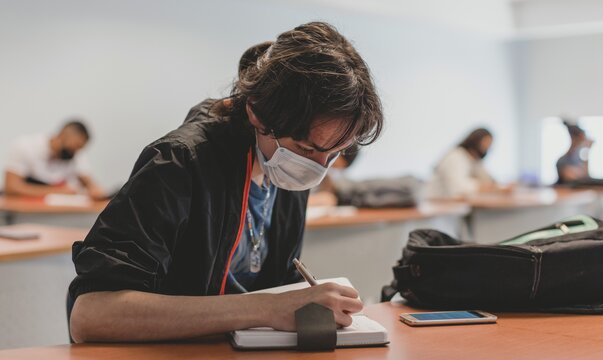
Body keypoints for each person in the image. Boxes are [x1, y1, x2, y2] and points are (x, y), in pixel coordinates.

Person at [68, 22, 383, 343]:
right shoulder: (178, 162)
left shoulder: (283, 171)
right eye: (306, 149)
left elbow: (278, 289)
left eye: (334, 154)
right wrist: (266, 308)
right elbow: (91, 314)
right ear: (258, 114)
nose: (318, 169)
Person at [3, 120, 105, 199]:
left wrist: (94, 189)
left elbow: (88, 182)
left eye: (80, 148)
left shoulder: (76, 154)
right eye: (74, 147)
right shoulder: (24, 146)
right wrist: (57, 191)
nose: (76, 153)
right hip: (23, 212)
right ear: (61, 135)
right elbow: (11, 188)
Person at [427, 127, 501, 198]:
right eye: (484, 144)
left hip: (455, 204)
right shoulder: (456, 157)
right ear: (475, 142)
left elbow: (487, 179)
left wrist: (495, 186)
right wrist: (482, 186)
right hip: (438, 204)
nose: (486, 149)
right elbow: (458, 187)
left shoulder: (474, 160)